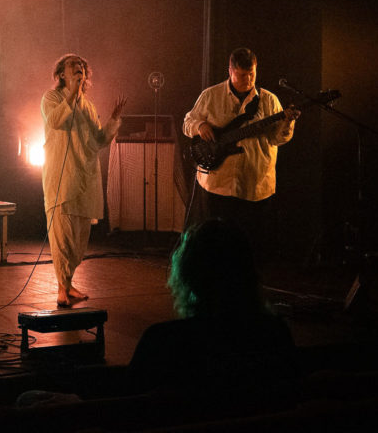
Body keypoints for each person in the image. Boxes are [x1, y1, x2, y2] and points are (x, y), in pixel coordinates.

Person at [129, 219, 300, 403]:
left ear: (189, 275)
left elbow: (130, 402)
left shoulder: (161, 341)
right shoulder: (276, 333)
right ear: (249, 273)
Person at [183, 47, 298, 259]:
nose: (248, 80)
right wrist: (200, 126)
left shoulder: (269, 100)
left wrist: (287, 123)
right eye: (242, 75)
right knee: (216, 246)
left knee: (249, 247)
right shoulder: (211, 95)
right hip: (218, 183)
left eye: (252, 74)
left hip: (255, 185)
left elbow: (277, 139)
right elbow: (187, 122)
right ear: (230, 71)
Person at [41, 53, 126, 307]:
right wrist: (72, 95)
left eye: (81, 67)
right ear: (61, 74)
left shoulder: (88, 105)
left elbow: (99, 140)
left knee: (79, 240)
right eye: (73, 66)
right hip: (62, 179)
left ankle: (68, 283)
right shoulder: (51, 98)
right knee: (63, 237)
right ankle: (61, 289)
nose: (79, 69)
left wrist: (113, 119)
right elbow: (56, 121)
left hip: (85, 178)